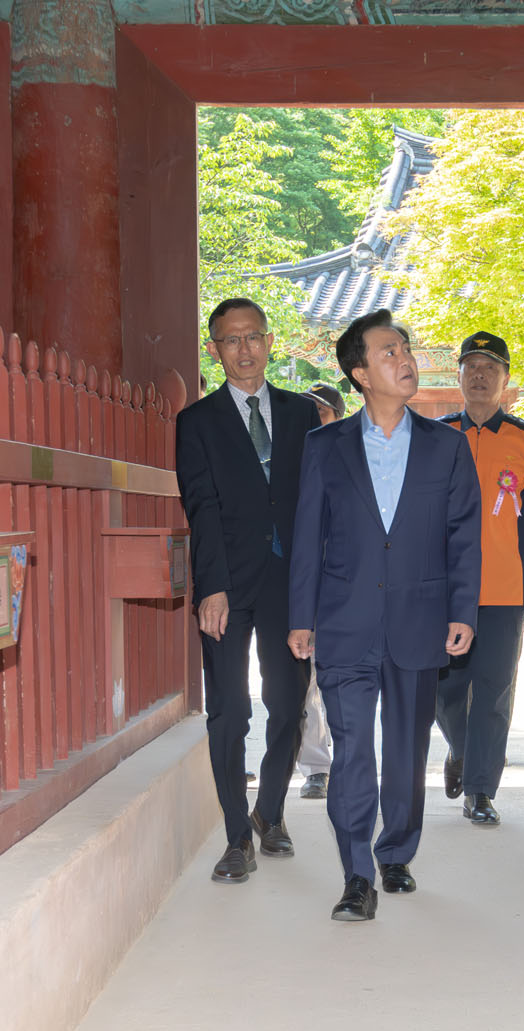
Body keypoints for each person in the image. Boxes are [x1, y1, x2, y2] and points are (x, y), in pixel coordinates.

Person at [288, 308, 481, 922]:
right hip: (345, 620)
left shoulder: (447, 446)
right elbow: (307, 536)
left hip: (420, 619)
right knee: (352, 751)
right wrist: (300, 617)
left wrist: (463, 610)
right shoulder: (324, 447)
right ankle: (356, 875)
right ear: (361, 374)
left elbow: (463, 535)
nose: (405, 359)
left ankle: (396, 851)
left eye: (405, 348)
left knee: (404, 749)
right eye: (388, 352)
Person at [175, 298, 321, 885]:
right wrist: (211, 586)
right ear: (215, 349)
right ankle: (237, 835)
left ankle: (271, 810)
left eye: (253, 336)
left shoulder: (302, 413)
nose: (244, 349)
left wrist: (317, 585)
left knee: (288, 704)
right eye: (231, 340)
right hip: (227, 586)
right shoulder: (197, 421)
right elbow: (201, 506)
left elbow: (316, 503)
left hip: (289, 584)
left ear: (269, 341)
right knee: (230, 710)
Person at [435, 332, 524, 826]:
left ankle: (480, 790)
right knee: (443, 687)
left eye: (490, 369)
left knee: (495, 690)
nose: (480, 376)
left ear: (505, 380)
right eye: (471, 367)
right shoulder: (435, 436)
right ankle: (462, 749)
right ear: (458, 375)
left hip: (503, 586)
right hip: (442, 589)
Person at [293, 381, 346, 799]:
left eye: (321, 411)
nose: (311, 418)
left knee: (342, 685)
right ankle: (316, 767)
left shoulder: (353, 459)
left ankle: (349, 763)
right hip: (304, 589)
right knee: (303, 683)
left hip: (346, 590)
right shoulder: (290, 458)